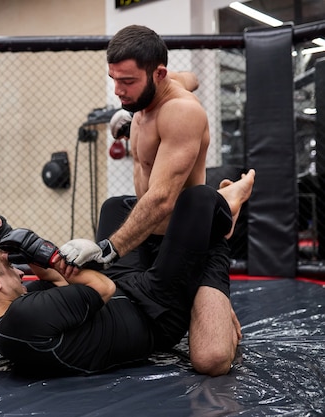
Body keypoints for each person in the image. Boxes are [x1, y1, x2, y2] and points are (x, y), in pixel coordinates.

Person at [57, 25, 241, 376]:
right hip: (149, 238)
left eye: (127, 81)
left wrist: (109, 248)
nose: (117, 90)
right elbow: (188, 78)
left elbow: (160, 199)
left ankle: (230, 198)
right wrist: (127, 118)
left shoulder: (181, 113)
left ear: (156, 74)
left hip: (190, 236)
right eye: (114, 79)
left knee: (211, 360)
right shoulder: (146, 97)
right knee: (114, 207)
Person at [0, 170, 255, 376]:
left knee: (115, 206)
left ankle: (180, 235)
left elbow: (56, 280)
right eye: (10, 268)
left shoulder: (4, 325)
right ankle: (224, 214)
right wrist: (46, 251)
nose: (21, 274)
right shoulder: (23, 317)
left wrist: (18, 243)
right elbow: (102, 289)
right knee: (198, 199)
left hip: (126, 290)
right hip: (154, 311)